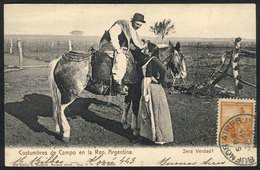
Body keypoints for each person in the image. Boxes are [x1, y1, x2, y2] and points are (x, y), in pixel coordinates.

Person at [99, 13, 147, 95]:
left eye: (140, 25)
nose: (138, 26)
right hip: (107, 45)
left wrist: (143, 47)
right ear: (133, 21)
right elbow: (112, 33)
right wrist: (118, 48)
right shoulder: (122, 24)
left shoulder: (132, 29)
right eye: (137, 24)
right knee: (121, 57)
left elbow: (136, 42)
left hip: (116, 46)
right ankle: (117, 83)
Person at [138, 57, 174, 145]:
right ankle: (149, 136)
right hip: (147, 86)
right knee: (147, 110)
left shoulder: (153, 59)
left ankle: (160, 137)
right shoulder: (145, 59)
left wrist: (159, 81)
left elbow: (164, 70)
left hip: (153, 87)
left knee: (157, 111)